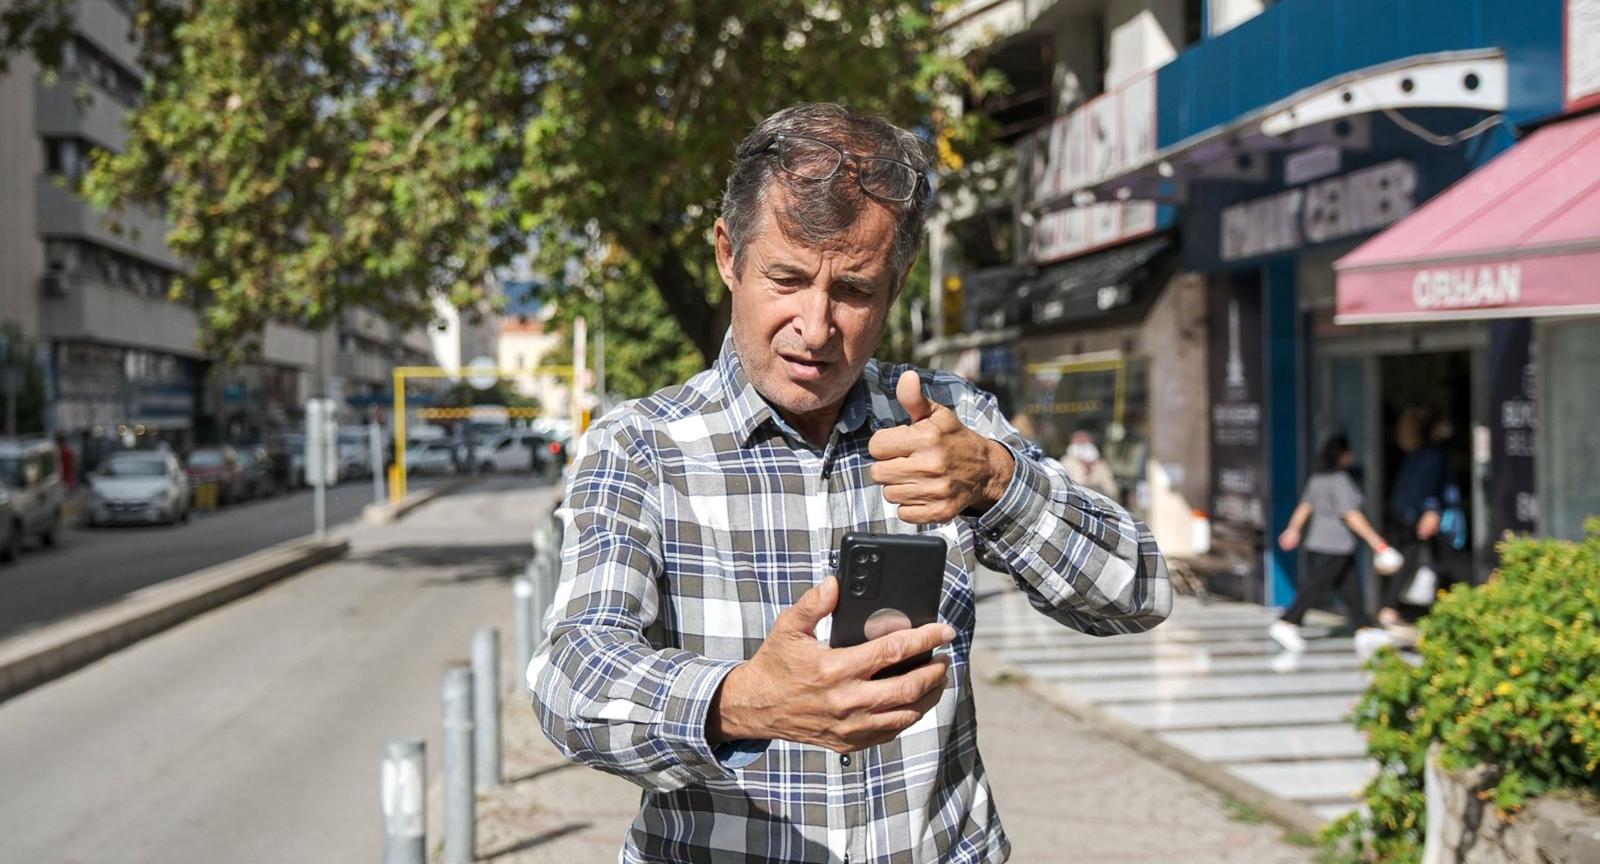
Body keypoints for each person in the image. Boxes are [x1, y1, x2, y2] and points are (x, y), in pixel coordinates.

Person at [527, 103, 1171, 864]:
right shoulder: (642, 446)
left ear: (896, 285)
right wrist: (741, 701)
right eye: (787, 279)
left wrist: (1000, 481)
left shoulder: (949, 421)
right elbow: (571, 676)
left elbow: (1137, 591)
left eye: (854, 291)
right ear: (729, 255)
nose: (815, 326)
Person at [1271, 435, 1395, 660]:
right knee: (1317, 586)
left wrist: (1293, 529)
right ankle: (1287, 621)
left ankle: (1364, 629)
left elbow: (1304, 507)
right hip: (1335, 544)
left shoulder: (1318, 479)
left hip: (1325, 542)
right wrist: (1376, 541)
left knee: (1351, 587)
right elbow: (1351, 515)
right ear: (1342, 455)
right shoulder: (1339, 481)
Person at [1379, 406, 1458, 626]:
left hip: (1410, 516)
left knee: (1418, 561)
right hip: (1424, 518)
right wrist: (1431, 510)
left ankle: (1393, 606)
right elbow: (1428, 487)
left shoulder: (1417, 455)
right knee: (1444, 562)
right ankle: (1393, 606)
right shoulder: (1432, 455)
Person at [1061, 429, 1118, 499]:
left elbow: (1111, 490)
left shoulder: (1101, 464)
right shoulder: (1066, 462)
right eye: (1078, 440)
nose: (1082, 442)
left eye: (1084, 440)